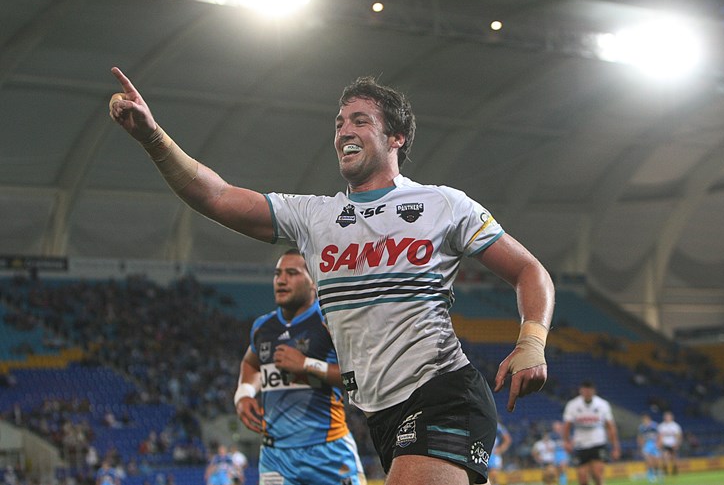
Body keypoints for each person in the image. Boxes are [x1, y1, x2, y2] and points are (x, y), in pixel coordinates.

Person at [109, 68, 555, 485]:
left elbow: (528, 270)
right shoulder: (314, 217)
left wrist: (531, 342)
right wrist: (153, 137)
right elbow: (217, 196)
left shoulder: (443, 205)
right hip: (381, 416)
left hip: (444, 394)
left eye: (360, 121)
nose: (344, 131)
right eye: (339, 123)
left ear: (396, 137)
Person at [235, 250, 366, 485]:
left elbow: (357, 378)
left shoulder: (330, 322)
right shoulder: (263, 326)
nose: (281, 280)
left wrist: (307, 365)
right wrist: (244, 394)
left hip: (328, 451)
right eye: (278, 274)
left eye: (292, 273)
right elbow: (250, 363)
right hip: (275, 456)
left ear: (314, 280)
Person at [561, 380, 620, 485]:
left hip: (598, 442)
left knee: (597, 474)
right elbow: (566, 426)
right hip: (580, 444)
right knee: (583, 479)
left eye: (589, 390)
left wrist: (615, 447)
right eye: (585, 390)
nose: (587, 393)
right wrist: (566, 442)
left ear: (594, 391)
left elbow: (611, 427)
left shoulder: (602, 404)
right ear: (581, 391)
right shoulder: (572, 405)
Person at [636, 414, 661, 483]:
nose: (645, 421)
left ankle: (656, 472)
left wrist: (659, 443)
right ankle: (650, 474)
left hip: (654, 444)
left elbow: (659, 435)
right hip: (646, 445)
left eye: (646, 419)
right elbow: (639, 437)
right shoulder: (641, 427)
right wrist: (641, 446)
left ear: (649, 419)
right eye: (643, 420)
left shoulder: (654, 425)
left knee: (656, 461)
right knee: (648, 460)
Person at [656, 411, 682, 476]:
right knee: (665, 457)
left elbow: (678, 435)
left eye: (668, 417)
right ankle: (666, 470)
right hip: (665, 444)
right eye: (666, 417)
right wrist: (659, 443)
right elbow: (660, 436)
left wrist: (677, 443)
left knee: (673, 457)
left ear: (671, 417)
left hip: (673, 444)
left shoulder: (675, 426)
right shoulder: (661, 426)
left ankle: (674, 469)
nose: (667, 418)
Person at [550, 420, 569, 485]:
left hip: (563, 453)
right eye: (555, 427)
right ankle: (558, 482)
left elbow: (568, 443)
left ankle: (564, 483)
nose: (557, 428)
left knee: (563, 469)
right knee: (557, 471)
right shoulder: (552, 435)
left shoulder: (564, 434)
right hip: (555, 454)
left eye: (558, 427)